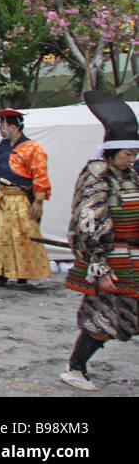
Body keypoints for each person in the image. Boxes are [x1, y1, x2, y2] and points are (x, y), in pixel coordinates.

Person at [60, 90, 139, 391]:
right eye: (128, 154)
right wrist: (99, 265)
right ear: (111, 151)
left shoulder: (131, 175)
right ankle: (76, 368)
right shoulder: (97, 177)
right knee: (104, 319)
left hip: (133, 256)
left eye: (135, 154)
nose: (132, 159)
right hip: (109, 259)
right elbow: (88, 220)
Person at [0, 108, 51, 286]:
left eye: (2, 125)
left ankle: (22, 276)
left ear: (13, 126)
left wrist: (39, 201)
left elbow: (40, 175)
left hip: (21, 198)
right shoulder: (1, 147)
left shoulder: (33, 148)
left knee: (22, 236)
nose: (0, 129)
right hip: (2, 197)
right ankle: (0, 274)